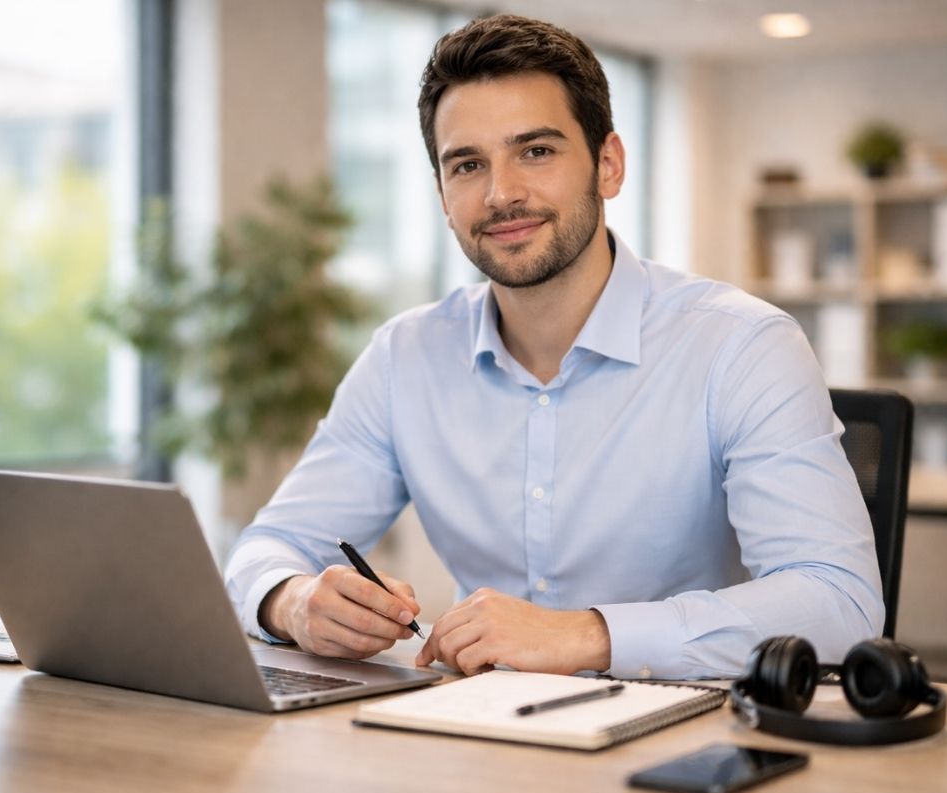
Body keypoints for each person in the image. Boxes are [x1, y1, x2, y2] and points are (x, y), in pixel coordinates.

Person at [223, 14, 883, 680]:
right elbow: (269, 547)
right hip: (473, 725)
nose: (502, 193)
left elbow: (839, 600)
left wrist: (589, 636)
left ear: (608, 165)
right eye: (468, 165)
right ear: (443, 196)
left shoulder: (741, 347)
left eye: (536, 151)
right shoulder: (405, 358)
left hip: (685, 726)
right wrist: (294, 601)